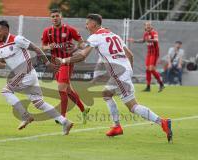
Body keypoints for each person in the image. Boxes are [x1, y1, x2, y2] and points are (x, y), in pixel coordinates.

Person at [55, 14, 173, 142]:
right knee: (106, 93)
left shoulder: (95, 37)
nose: (86, 26)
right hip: (124, 72)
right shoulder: (113, 35)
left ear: (94, 24)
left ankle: (163, 122)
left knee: (132, 106)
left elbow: (83, 56)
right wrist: (128, 71)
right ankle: (116, 126)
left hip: (119, 74)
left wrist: (63, 60)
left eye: (87, 23)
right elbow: (130, 55)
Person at [0, 20, 73, 135]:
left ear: (6, 30)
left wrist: (47, 63)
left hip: (26, 72)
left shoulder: (17, 39)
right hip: (26, 75)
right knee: (39, 103)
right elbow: (3, 63)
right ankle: (65, 122)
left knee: (6, 91)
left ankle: (25, 116)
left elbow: (36, 49)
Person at [41, 9, 89, 124]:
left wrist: (78, 48)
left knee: (61, 89)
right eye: (53, 16)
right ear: (50, 18)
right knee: (67, 90)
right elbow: (43, 47)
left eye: (57, 16)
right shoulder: (47, 32)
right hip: (55, 64)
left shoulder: (70, 29)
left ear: (61, 17)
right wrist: (49, 48)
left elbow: (81, 43)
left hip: (67, 62)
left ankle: (62, 117)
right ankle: (84, 109)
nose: (55, 18)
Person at [129, 22, 164, 92]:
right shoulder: (146, 34)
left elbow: (156, 40)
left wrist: (150, 40)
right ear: (145, 27)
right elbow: (143, 41)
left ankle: (161, 83)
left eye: (149, 25)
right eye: (146, 25)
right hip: (149, 53)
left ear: (151, 26)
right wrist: (134, 41)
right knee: (148, 69)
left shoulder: (154, 32)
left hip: (155, 53)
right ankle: (148, 87)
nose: (148, 27)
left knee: (151, 69)